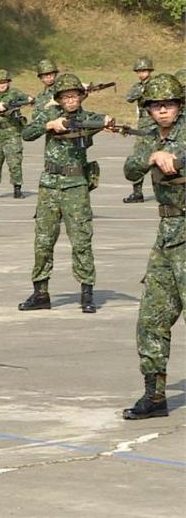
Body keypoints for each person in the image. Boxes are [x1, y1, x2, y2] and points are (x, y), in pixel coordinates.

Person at [18, 74, 112, 314]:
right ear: (58, 99)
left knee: (81, 239)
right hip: (49, 185)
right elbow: (27, 133)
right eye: (66, 96)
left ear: (81, 96)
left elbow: (104, 119)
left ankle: (87, 292)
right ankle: (40, 293)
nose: (71, 100)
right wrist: (49, 125)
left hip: (76, 185)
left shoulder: (87, 118)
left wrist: (109, 122)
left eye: (75, 95)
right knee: (43, 241)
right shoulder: (50, 115)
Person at [121, 73, 185, 420]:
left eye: (169, 104)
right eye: (157, 106)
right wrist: (152, 156)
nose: (163, 111)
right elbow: (131, 170)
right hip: (167, 234)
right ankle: (155, 396)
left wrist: (174, 157)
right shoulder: (148, 139)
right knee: (151, 317)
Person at [0, 69, 34, 199]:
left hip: (12, 133)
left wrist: (29, 99)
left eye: (4, 82)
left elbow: (27, 98)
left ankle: (17, 188)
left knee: (14, 162)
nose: (2, 85)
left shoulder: (14, 93)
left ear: (8, 82)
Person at [123, 57, 156, 204]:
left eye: (144, 70)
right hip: (143, 126)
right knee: (138, 158)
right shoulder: (139, 87)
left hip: (157, 124)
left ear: (150, 71)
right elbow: (129, 97)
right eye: (139, 71)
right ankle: (137, 192)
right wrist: (142, 89)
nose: (142, 74)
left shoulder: (157, 85)